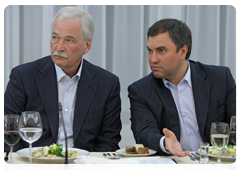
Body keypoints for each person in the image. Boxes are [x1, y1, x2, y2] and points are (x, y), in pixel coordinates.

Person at [4, 6, 122, 152]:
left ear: (87, 45)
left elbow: (109, 141)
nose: (59, 47)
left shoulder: (107, 84)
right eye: (55, 37)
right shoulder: (23, 76)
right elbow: (8, 131)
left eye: (69, 40)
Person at [128, 18, 238, 156]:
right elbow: (144, 131)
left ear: (183, 51)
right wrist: (164, 143)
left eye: (161, 51)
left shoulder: (221, 78)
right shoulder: (141, 90)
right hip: (174, 163)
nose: (152, 59)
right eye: (150, 51)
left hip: (216, 162)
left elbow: (236, 125)